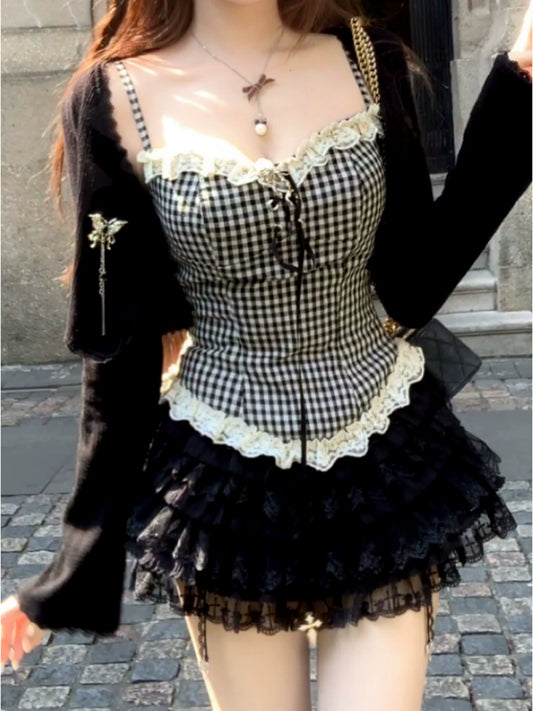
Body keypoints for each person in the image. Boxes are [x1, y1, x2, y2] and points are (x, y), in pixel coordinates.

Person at [1, 1, 531, 709]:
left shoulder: (365, 57)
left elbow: (415, 284)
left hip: (378, 462)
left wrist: (522, 80)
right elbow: (119, 353)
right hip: (225, 484)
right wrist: (73, 566)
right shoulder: (113, 96)